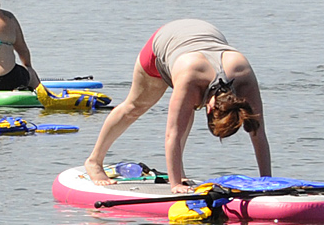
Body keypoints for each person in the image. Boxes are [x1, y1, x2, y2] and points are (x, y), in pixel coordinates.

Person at [82, 18, 272, 192]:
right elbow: (172, 134)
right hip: (163, 45)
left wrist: (267, 181)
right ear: (210, 107)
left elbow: (258, 132)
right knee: (135, 106)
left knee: (188, 107)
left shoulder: (243, 75)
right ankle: (94, 161)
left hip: (203, 35)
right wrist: (176, 185)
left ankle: (179, 171)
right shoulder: (190, 78)